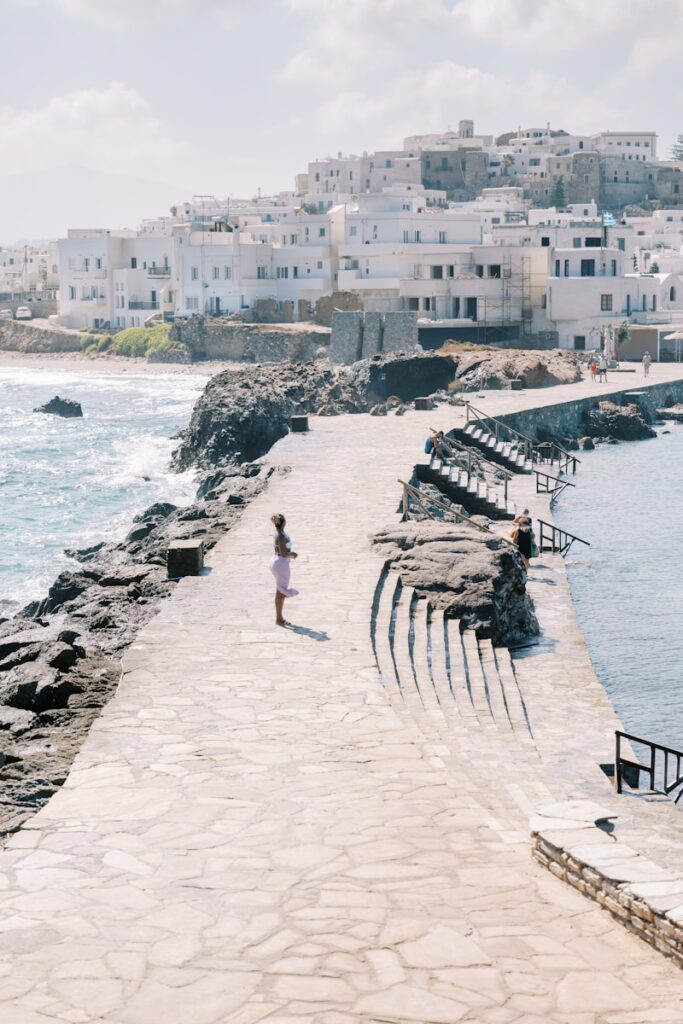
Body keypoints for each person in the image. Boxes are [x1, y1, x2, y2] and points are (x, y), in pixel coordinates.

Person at [270, 513, 298, 626]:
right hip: (281, 564)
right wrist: (293, 554)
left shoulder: (279, 532)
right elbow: (284, 554)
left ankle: (279, 617)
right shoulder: (281, 536)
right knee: (281, 591)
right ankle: (279, 619)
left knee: (280, 590)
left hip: (278, 562)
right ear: (284, 522)